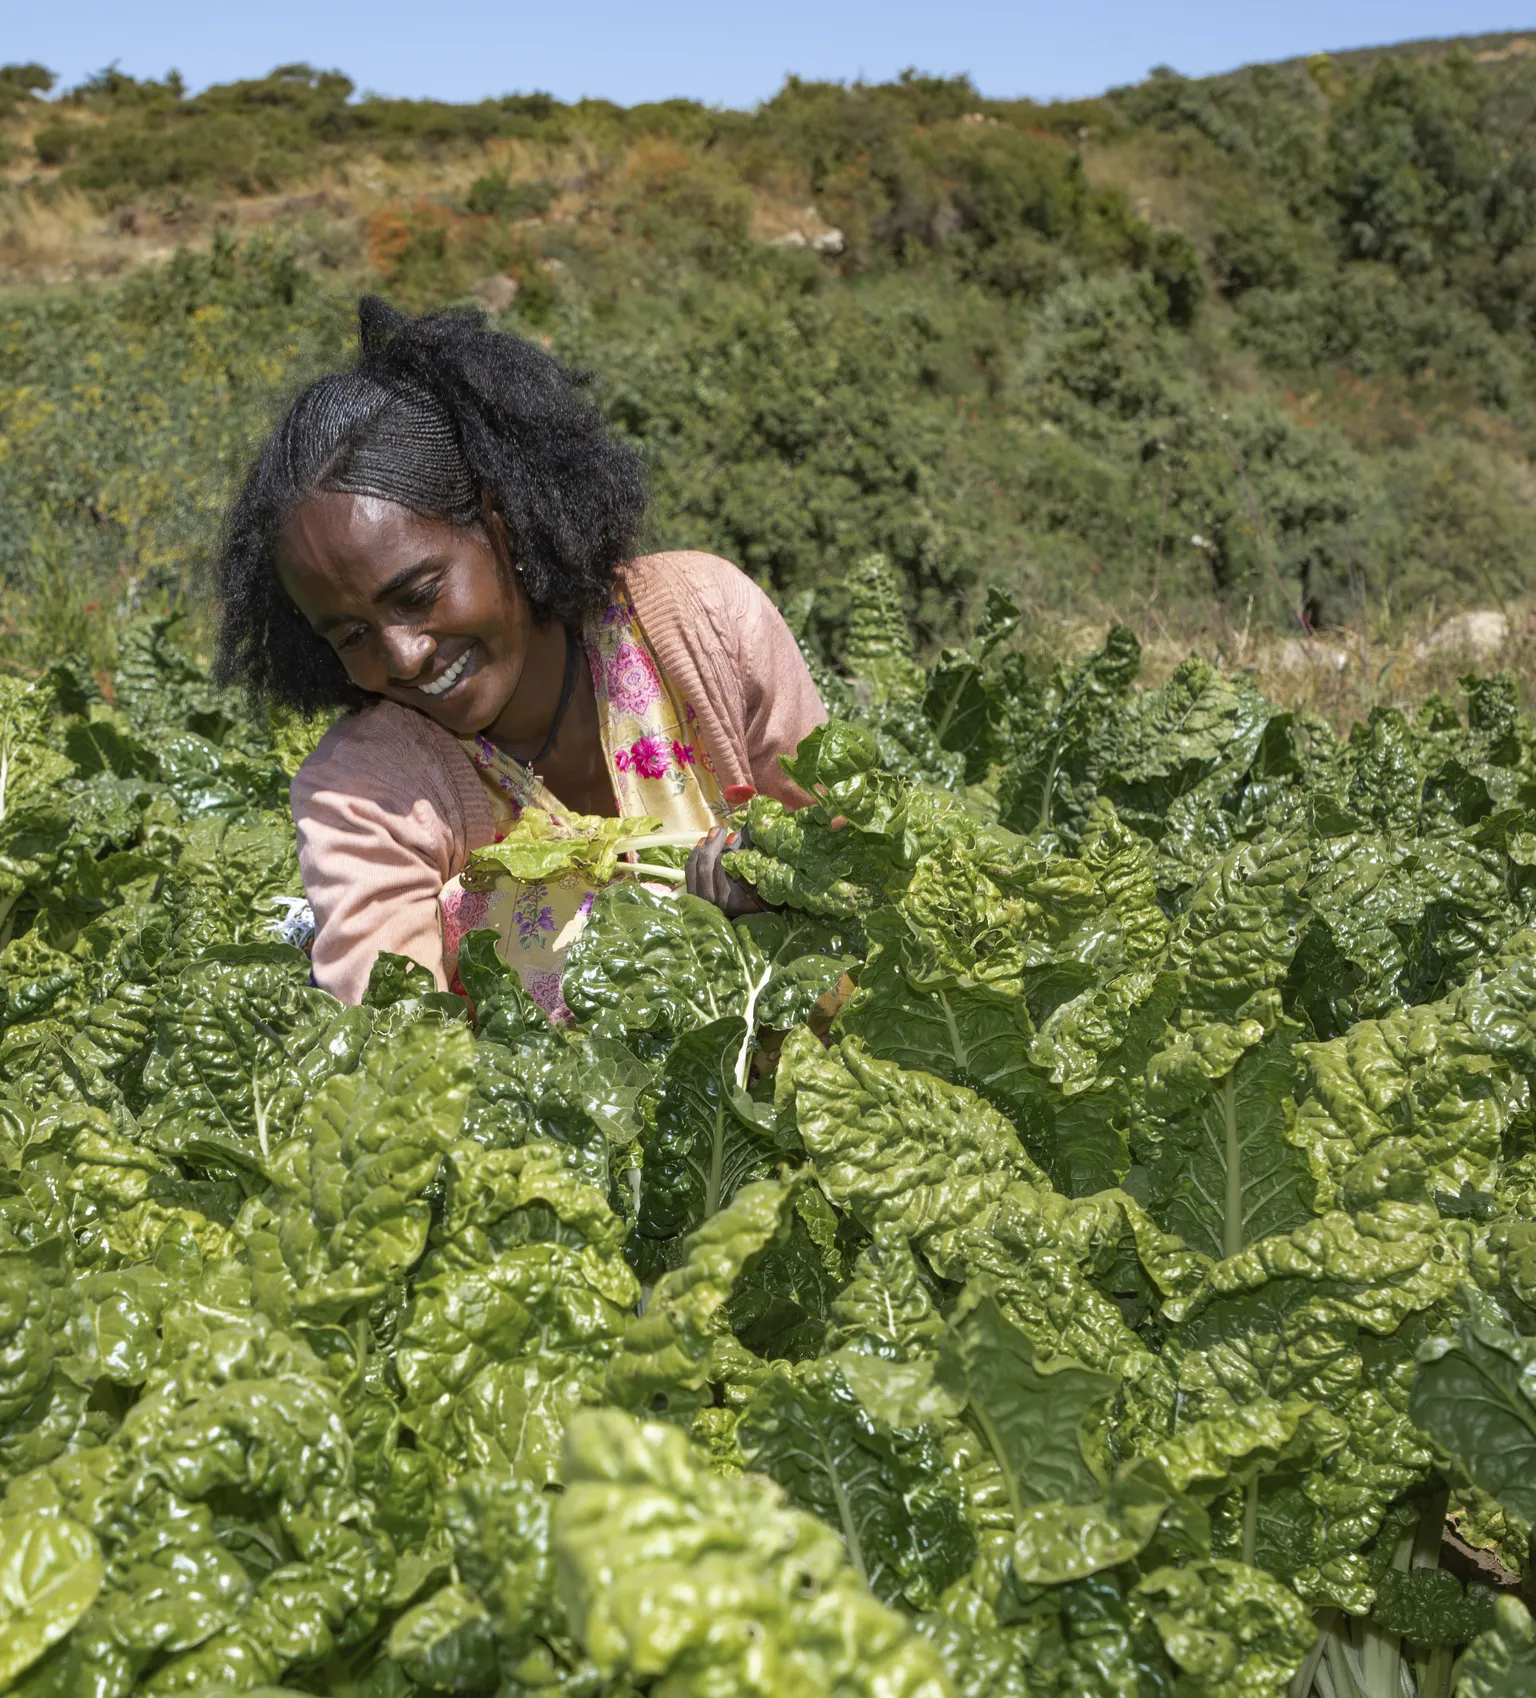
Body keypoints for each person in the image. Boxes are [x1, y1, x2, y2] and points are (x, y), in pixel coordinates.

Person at [214, 297, 826, 1012]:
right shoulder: (360, 795)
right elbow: (394, 1052)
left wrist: (778, 890)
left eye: (417, 595)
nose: (404, 656)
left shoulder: (706, 622)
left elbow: (847, 854)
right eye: (350, 636)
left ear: (501, 523)